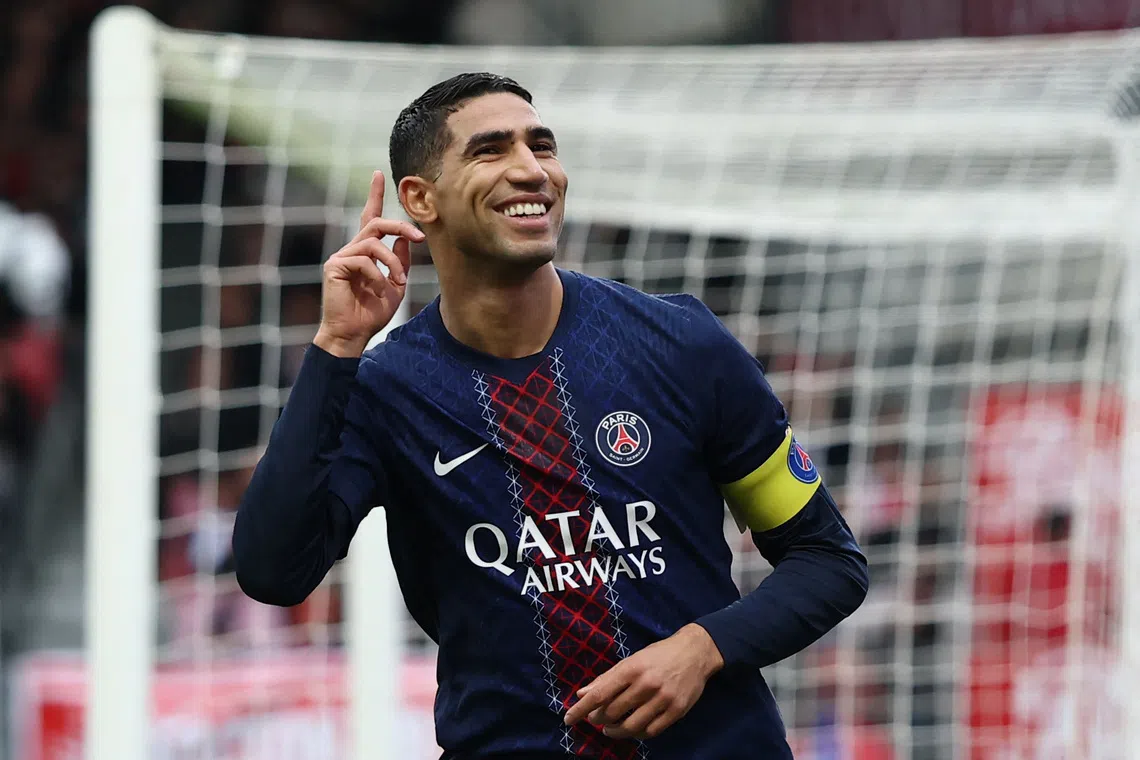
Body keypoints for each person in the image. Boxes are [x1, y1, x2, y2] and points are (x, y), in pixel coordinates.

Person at [233, 72, 869, 760]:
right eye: (491, 150)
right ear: (420, 199)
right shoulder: (384, 389)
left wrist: (702, 648)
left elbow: (826, 559)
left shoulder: (680, 345)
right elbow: (273, 572)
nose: (531, 170)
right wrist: (335, 348)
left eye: (542, 146)